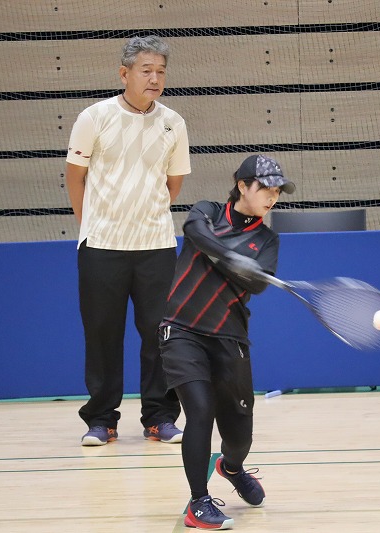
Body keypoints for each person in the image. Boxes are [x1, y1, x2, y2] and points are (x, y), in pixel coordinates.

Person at [159, 154, 296, 530]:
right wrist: (232, 258)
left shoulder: (267, 239)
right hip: (182, 330)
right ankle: (198, 502)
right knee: (200, 411)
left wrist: (244, 269)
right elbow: (195, 232)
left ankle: (231, 467)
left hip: (229, 338)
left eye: (277, 191)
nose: (273, 197)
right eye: (265, 188)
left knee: (239, 435)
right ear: (242, 185)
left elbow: (256, 283)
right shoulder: (207, 211)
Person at [65, 35, 190, 446]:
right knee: (102, 335)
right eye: (146, 70)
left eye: (161, 72)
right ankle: (101, 420)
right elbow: (75, 177)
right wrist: (91, 224)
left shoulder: (174, 122)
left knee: (161, 335)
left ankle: (160, 417)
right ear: (124, 73)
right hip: (102, 246)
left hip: (156, 246)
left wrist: (146, 214)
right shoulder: (94, 117)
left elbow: (173, 184)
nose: (155, 79)